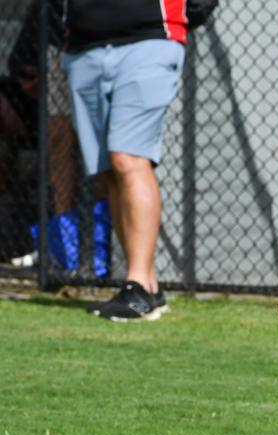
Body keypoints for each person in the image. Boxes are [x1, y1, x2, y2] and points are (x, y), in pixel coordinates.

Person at [61, 0, 192, 321]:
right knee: (108, 172)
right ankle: (146, 286)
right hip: (83, 47)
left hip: (149, 39)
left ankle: (136, 283)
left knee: (128, 158)